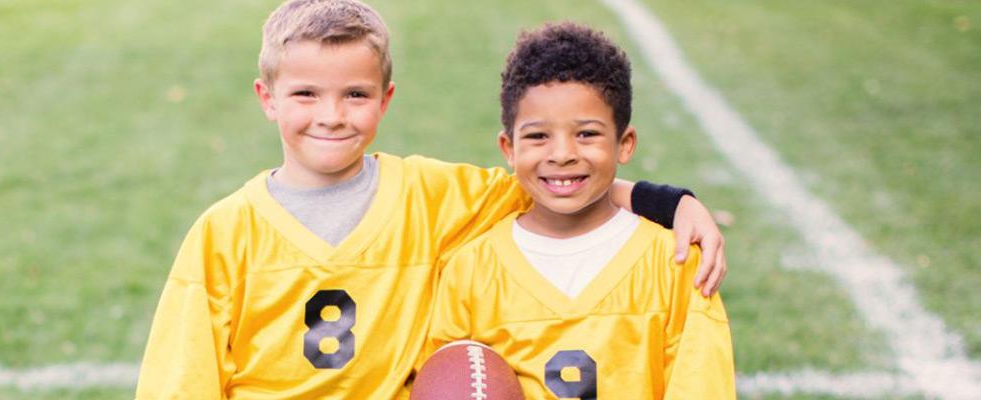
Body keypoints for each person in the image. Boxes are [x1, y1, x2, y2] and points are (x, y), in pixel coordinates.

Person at [135, 1, 729, 398]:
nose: (332, 115)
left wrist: (668, 202)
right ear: (268, 98)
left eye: (355, 94)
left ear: (386, 99)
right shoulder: (225, 232)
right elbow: (180, 381)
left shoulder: (431, 195)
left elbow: (554, 183)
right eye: (306, 94)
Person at [418, 22, 735, 399]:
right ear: (509, 148)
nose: (562, 154)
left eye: (586, 134)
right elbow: (449, 381)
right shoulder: (471, 270)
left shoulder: (675, 264)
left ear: (624, 143)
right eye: (538, 136)